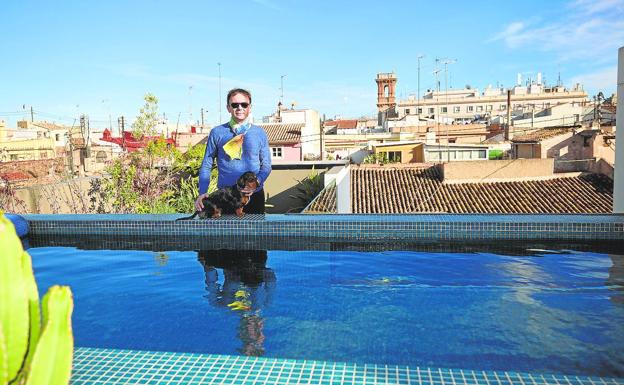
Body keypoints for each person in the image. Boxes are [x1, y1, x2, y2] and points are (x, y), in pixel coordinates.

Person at [195, 88, 271, 214]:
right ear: (228, 108)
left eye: (244, 104)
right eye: (235, 105)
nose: (239, 108)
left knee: (255, 234)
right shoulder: (217, 132)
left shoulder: (260, 133)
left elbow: (266, 165)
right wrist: (202, 193)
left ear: (250, 107)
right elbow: (206, 164)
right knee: (227, 233)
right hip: (226, 198)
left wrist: (256, 182)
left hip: (254, 196)